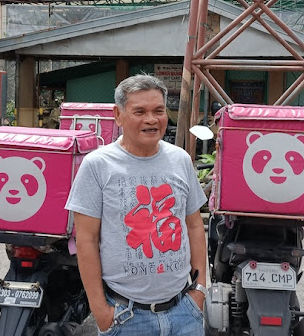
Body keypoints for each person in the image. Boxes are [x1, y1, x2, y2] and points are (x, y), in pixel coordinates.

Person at [65, 74, 207, 336]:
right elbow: (86, 239)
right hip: (125, 316)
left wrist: (199, 291)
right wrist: (101, 311)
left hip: (184, 312)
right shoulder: (97, 165)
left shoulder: (180, 160)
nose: (151, 119)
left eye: (158, 111)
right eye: (139, 111)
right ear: (118, 115)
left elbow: (195, 225)